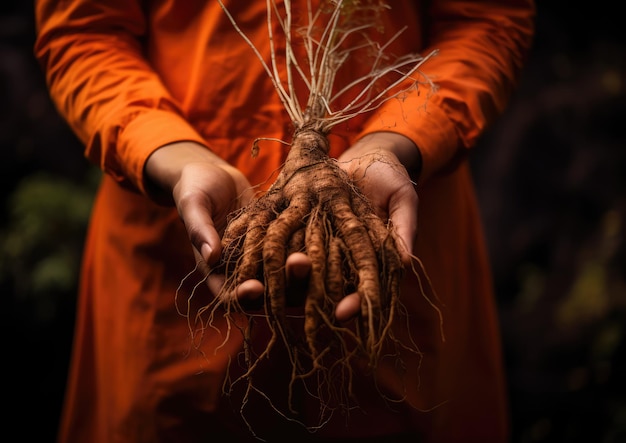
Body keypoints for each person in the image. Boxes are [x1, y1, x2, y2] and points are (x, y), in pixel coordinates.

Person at [34, 1, 535, 442]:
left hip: (395, 250)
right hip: (171, 273)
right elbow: (85, 32)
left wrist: (397, 142)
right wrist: (173, 156)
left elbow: (485, 20)